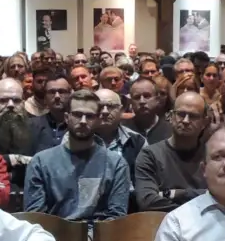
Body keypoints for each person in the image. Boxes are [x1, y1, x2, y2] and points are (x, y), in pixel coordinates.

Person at [24, 90, 130, 221]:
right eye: (78, 115)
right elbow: (36, 217)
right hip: (53, 237)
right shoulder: (40, 162)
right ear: (67, 118)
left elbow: (116, 217)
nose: (83, 121)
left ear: (97, 120)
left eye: (89, 116)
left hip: (101, 237)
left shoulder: (116, 164)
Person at [134, 91, 210, 211]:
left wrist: (176, 194)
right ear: (170, 116)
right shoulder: (149, 155)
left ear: (204, 122)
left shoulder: (212, 156)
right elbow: (147, 201)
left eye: (193, 116)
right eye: (181, 114)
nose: (185, 120)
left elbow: (222, 196)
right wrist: (202, 198)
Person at [95, 88, 146, 181]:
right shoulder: (78, 139)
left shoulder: (138, 141)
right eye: (99, 106)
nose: (105, 111)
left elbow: (145, 181)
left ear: (121, 110)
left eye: (110, 106)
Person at [27, 70, 73, 155]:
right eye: (52, 92)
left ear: (70, 95)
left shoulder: (79, 125)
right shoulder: (31, 125)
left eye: (62, 91)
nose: (57, 96)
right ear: (45, 98)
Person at [127, 75, 171, 142]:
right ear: (131, 102)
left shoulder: (171, 131)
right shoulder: (122, 130)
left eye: (147, 96)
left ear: (157, 100)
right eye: (137, 97)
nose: (142, 101)